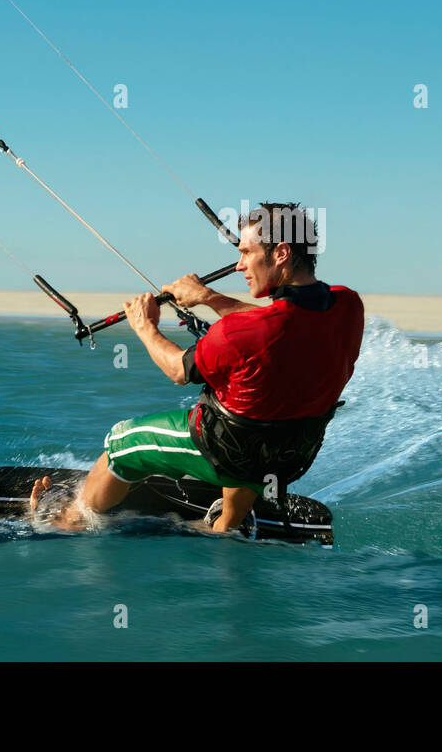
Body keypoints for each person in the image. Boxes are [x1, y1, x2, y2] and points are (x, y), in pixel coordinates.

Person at [30, 202, 364, 533]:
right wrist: (207, 296)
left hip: (225, 452)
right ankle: (226, 524)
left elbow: (178, 370)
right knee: (259, 406)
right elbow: (279, 324)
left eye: (247, 253)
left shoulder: (241, 333)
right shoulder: (347, 304)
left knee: (122, 441)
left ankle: (72, 519)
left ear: (281, 253)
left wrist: (144, 326)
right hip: (290, 456)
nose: (239, 266)